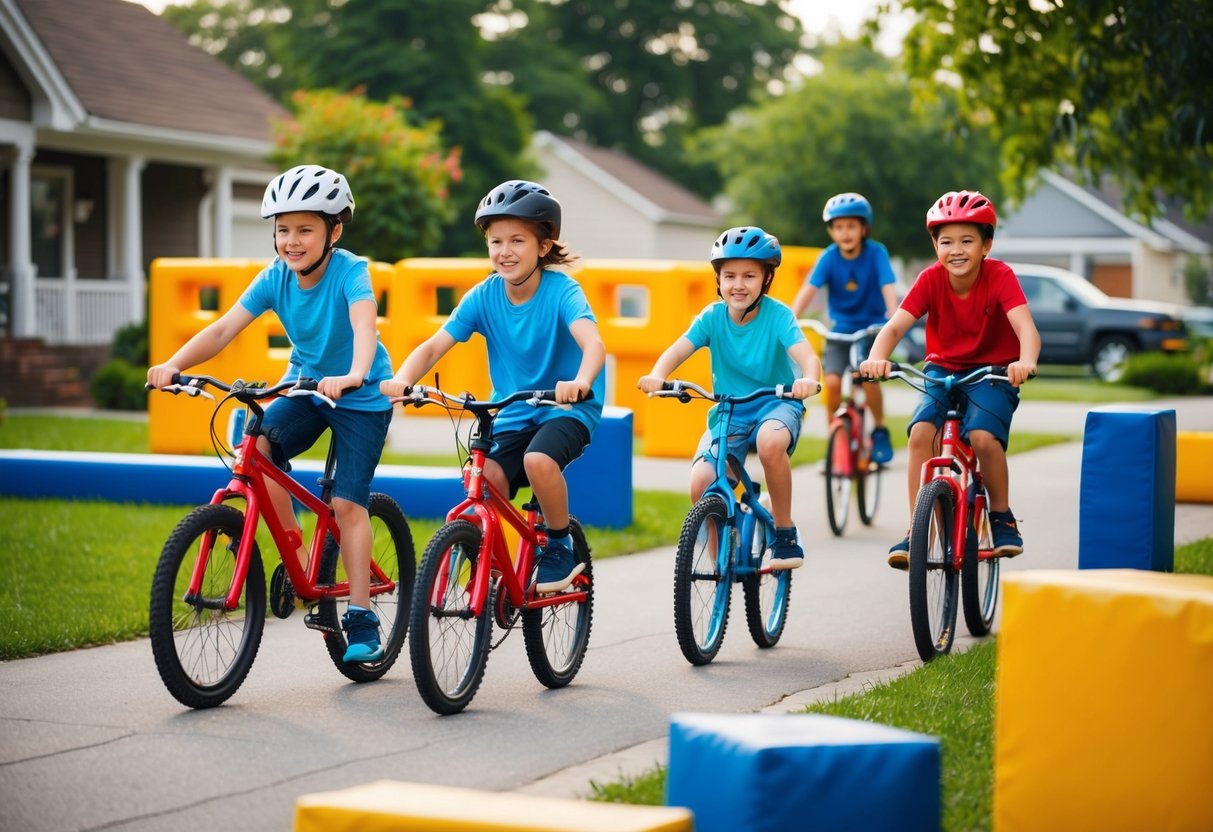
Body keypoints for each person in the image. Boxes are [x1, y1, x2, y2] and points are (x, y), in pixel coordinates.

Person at [147, 164, 395, 662]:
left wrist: (354, 373)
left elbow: (364, 325)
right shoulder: (274, 278)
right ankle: (298, 556)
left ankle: (362, 616)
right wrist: (174, 364)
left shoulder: (351, 271)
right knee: (257, 445)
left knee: (348, 505)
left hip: (361, 396)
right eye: (283, 230)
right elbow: (222, 330)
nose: (292, 241)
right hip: (306, 387)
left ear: (334, 230)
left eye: (306, 229)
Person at [380, 180, 605, 594]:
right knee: (483, 480)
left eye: (517, 240)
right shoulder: (483, 296)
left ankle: (559, 545)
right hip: (515, 410)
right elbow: (434, 345)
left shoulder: (562, 292)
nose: (504, 251)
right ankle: (495, 567)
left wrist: (580, 382)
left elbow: (593, 343)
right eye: (495, 240)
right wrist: (402, 380)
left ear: (543, 245)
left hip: (567, 409)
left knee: (539, 461)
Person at [858, 190, 1040, 570]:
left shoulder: (1000, 276)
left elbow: (1026, 328)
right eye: (946, 242)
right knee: (920, 433)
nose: (956, 250)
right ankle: (915, 530)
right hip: (942, 370)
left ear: (986, 244)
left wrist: (1025, 361)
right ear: (935, 245)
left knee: (982, 438)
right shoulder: (930, 280)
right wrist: (876, 358)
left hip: (992, 372)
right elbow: (894, 329)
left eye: (967, 241)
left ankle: (1001, 516)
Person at [638, 226, 822, 569]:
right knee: (701, 483)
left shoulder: (778, 315)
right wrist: (658, 375)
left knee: (770, 443)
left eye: (750, 276)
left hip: (777, 403)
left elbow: (808, 358)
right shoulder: (712, 317)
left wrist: (808, 380)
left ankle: (784, 532)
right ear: (718, 280)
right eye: (730, 276)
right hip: (730, 411)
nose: (739, 284)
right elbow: (677, 349)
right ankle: (721, 558)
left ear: (766, 279)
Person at [790, 192, 898, 464]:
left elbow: (888, 289)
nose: (845, 233)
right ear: (831, 231)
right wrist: (788, 320)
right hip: (840, 330)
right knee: (834, 382)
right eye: (838, 227)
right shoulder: (829, 257)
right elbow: (808, 290)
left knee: (867, 377)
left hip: (872, 330)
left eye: (851, 226)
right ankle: (835, 437)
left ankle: (880, 426)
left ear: (864, 228)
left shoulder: (876, 253)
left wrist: (895, 320)